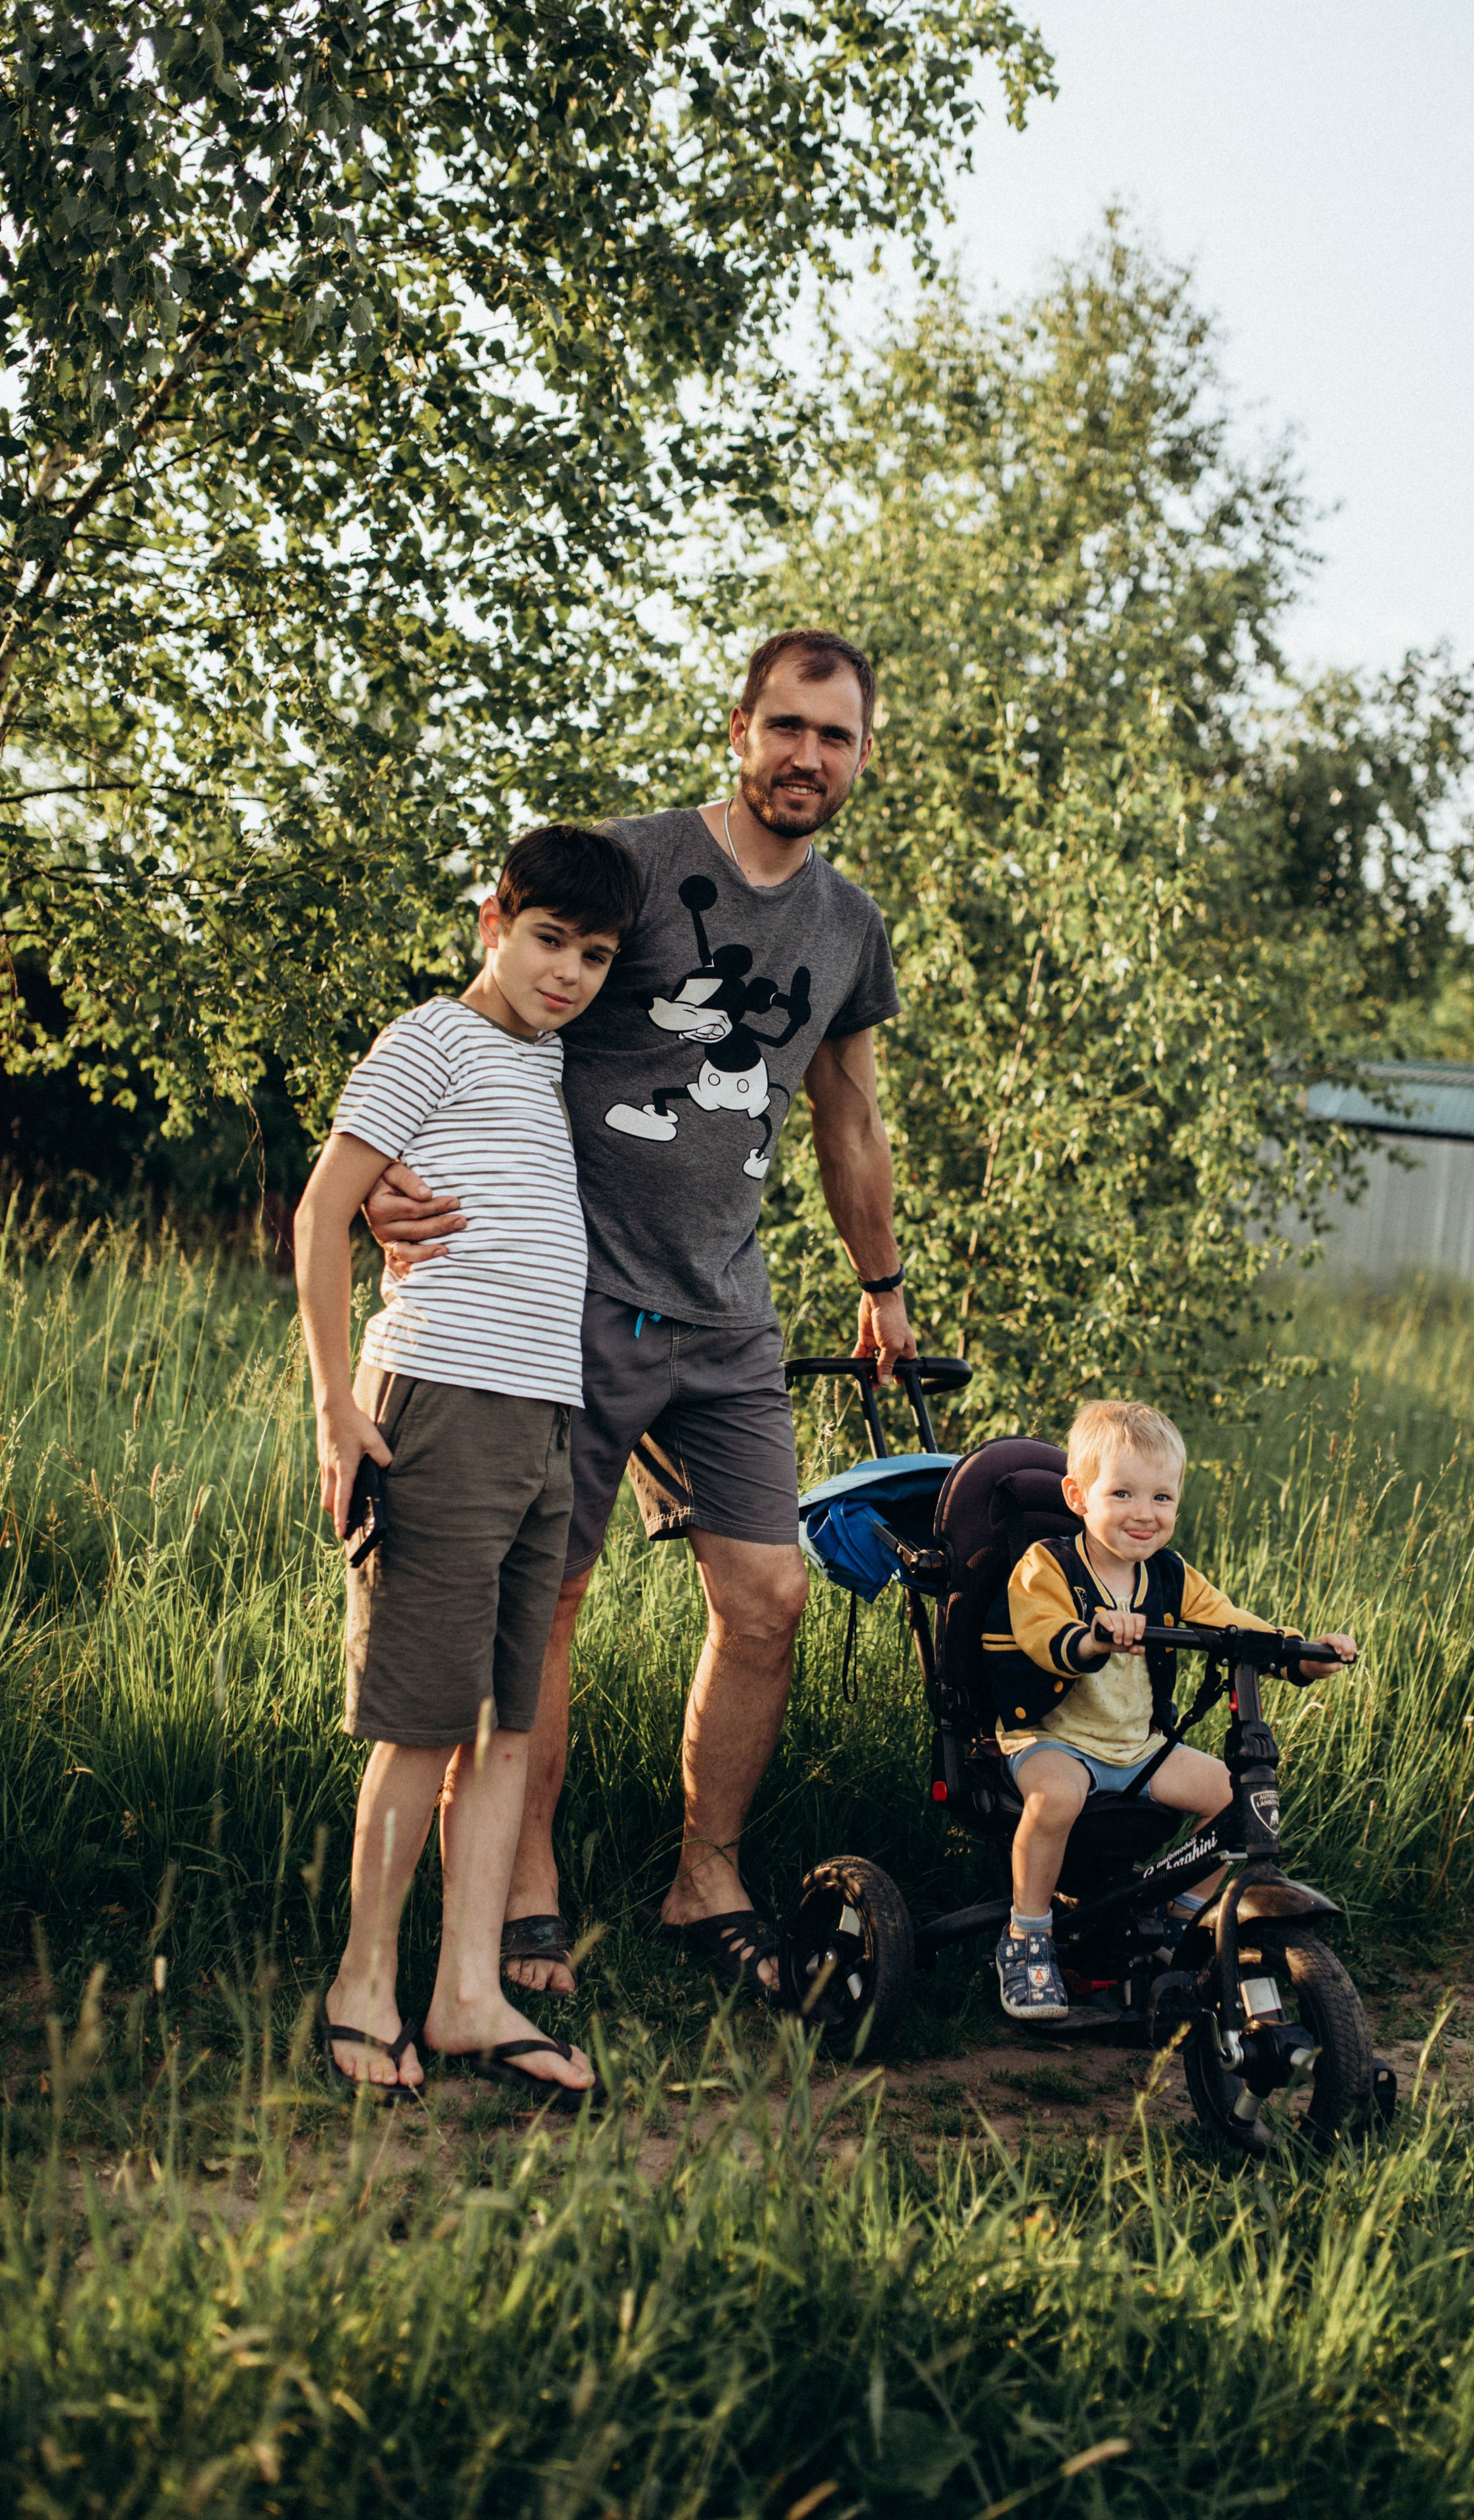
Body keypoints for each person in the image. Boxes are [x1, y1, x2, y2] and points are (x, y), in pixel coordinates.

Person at [366, 628, 914, 2000]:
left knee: (769, 1594)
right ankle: (525, 1890)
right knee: (545, 1605)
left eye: (833, 736)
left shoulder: (847, 927)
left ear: (861, 757)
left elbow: (845, 1113)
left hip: (726, 1310)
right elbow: (493, 1002)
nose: (805, 757)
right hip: (569, 1297)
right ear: (736, 732)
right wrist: (390, 1174)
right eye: (783, 727)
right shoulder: (632, 861)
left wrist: (880, 1282)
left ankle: (702, 1879)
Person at [293, 822, 641, 2097]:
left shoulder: (547, 1064)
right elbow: (324, 1209)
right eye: (548, 940)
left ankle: (466, 1996)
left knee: (503, 1729)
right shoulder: (431, 1036)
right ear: (492, 920)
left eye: (593, 956)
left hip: (544, 1419)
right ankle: (361, 1987)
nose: (567, 974)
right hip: (438, 1401)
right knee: (420, 1723)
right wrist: (339, 1409)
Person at [984, 1399, 1357, 2023]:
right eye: (1124, 1493)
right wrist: (1095, 1637)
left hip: (1137, 1748)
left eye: (1162, 1498)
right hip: (1051, 1737)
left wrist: (1302, 1654)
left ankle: (1179, 1920)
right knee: (1058, 1800)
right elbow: (1041, 1633)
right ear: (1078, 1496)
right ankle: (1027, 1937)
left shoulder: (1169, 1575)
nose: (1144, 1514)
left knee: (1236, 1797)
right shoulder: (1047, 1565)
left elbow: (1238, 1626)